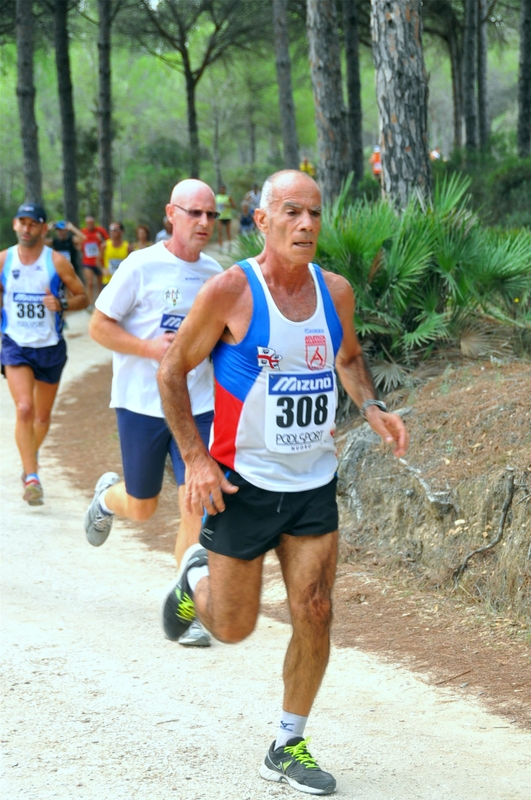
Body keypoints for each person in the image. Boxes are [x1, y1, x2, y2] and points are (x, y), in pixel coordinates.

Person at [157, 170, 409, 795]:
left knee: (316, 610)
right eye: (292, 212)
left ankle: (287, 742)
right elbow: (172, 370)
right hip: (241, 486)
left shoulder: (337, 292)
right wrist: (194, 458)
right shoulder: (230, 292)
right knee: (234, 626)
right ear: (262, 221)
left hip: (311, 486)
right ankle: (195, 579)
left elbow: (347, 357)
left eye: (315, 214)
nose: (305, 224)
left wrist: (371, 406)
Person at [85, 179, 223, 648]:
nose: (204, 222)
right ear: (171, 213)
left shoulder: (215, 273)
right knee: (142, 507)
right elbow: (98, 326)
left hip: (197, 405)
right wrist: (148, 348)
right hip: (142, 405)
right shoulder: (140, 267)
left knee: (196, 502)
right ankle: (108, 499)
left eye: (211, 215)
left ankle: (189, 606)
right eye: (194, 213)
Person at [0, 202, 88, 505]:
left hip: (49, 346)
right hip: (15, 345)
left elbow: (82, 296)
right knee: (24, 408)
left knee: (41, 414)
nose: (26, 229)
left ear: (42, 227)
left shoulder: (56, 262)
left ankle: (29, 457)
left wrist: (61, 305)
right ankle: (32, 475)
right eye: (22, 223)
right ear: (15, 225)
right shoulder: (3, 260)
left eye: (33, 223)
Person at [81, 216, 107, 307]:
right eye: (88, 223)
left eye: (91, 223)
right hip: (87, 261)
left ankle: (101, 303)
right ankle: (89, 303)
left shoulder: (100, 231)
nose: (90, 225)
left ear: (94, 223)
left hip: (99, 261)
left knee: (100, 284)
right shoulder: (83, 232)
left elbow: (108, 243)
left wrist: (101, 239)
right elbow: (79, 242)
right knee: (90, 283)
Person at [101, 222, 130, 286]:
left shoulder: (127, 247)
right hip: (108, 280)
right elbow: (97, 260)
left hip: (122, 280)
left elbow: (132, 263)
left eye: (115, 230)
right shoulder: (105, 245)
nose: (112, 232)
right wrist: (102, 269)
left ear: (122, 232)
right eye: (111, 230)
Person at [215, 184, 236, 249]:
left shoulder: (228, 197)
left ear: (225, 189)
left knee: (228, 232)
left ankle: (230, 245)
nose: (222, 190)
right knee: (220, 232)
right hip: (220, 217)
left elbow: (234, 206)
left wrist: (227, 205)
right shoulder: (216, 197)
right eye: (221, 189)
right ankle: (220, 246)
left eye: (223, 189)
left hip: (227, 217)